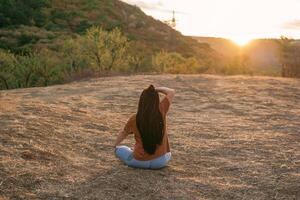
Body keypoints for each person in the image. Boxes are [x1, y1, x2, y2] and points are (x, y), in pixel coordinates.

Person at [113, 85, 175, 169]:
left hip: (139, 162)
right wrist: (155, 90)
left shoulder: (134, 118)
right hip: (160, 162)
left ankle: (128, 151)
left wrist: (115, 145)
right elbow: (171, 91)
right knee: (167, 153)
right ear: (156, 100)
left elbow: (124, 133)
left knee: (120, 149)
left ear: (141, 101)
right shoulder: (161, 110)